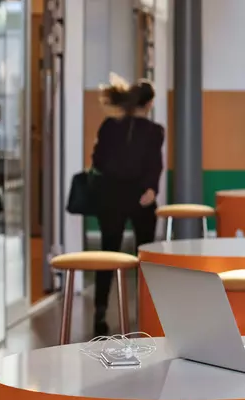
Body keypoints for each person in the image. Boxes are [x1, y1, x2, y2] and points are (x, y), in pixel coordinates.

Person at [90, 75, 163, 337]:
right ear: (150, 103)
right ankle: (145, 312)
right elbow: (155, 164)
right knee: (144, 257)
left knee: (107, 256)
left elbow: (97, 160)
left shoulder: (109, 125)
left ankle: (100, 311)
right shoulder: (155, 131)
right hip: (142, 199)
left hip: (110, 197)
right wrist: (151, 189)